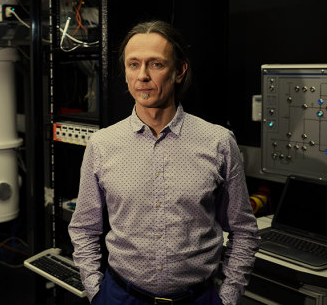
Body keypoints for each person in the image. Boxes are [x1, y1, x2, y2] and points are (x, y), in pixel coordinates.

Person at [68, 20, 260, 305]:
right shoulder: (102, 144)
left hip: (198, 298)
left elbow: (244, 230)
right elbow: (84, 227)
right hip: (120, 297)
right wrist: (96, 291)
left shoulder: (218, 142)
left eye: (156, 64)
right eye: (133, 64)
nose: (142, 76)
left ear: (179, 71)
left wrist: (228, 297)